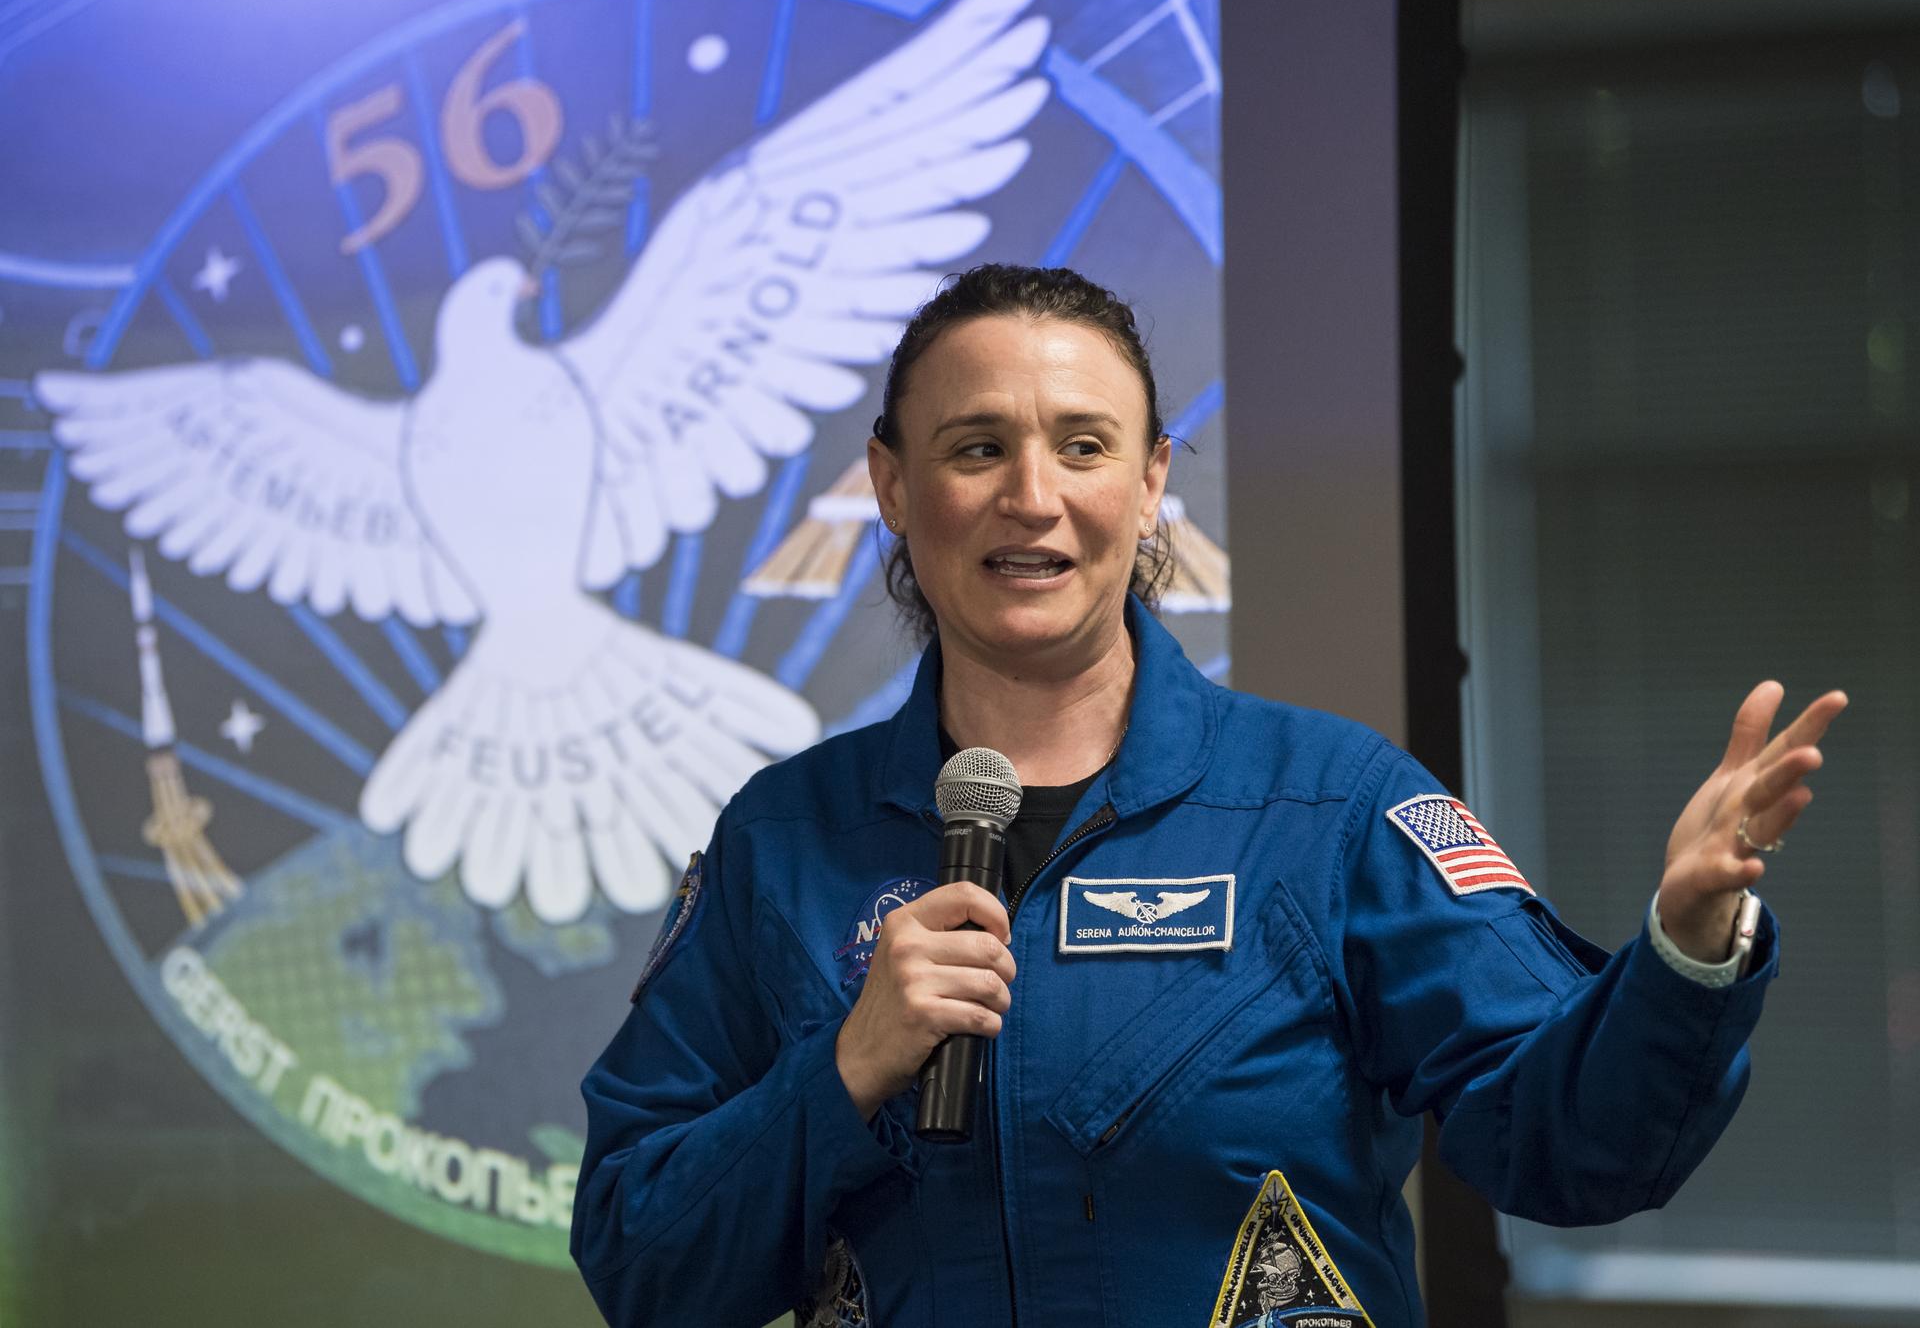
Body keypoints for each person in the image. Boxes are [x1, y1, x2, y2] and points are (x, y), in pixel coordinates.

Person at [570, 264, 1846, 1328]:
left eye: (1083, 445)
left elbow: (1568, 1146)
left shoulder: (1332, 807)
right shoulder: (782, 843)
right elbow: (643, 1258)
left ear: (1150, 480)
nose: (1034, 495)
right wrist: (843, 1072)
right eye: (977, 448)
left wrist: (1684, 949)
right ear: (895, 487)